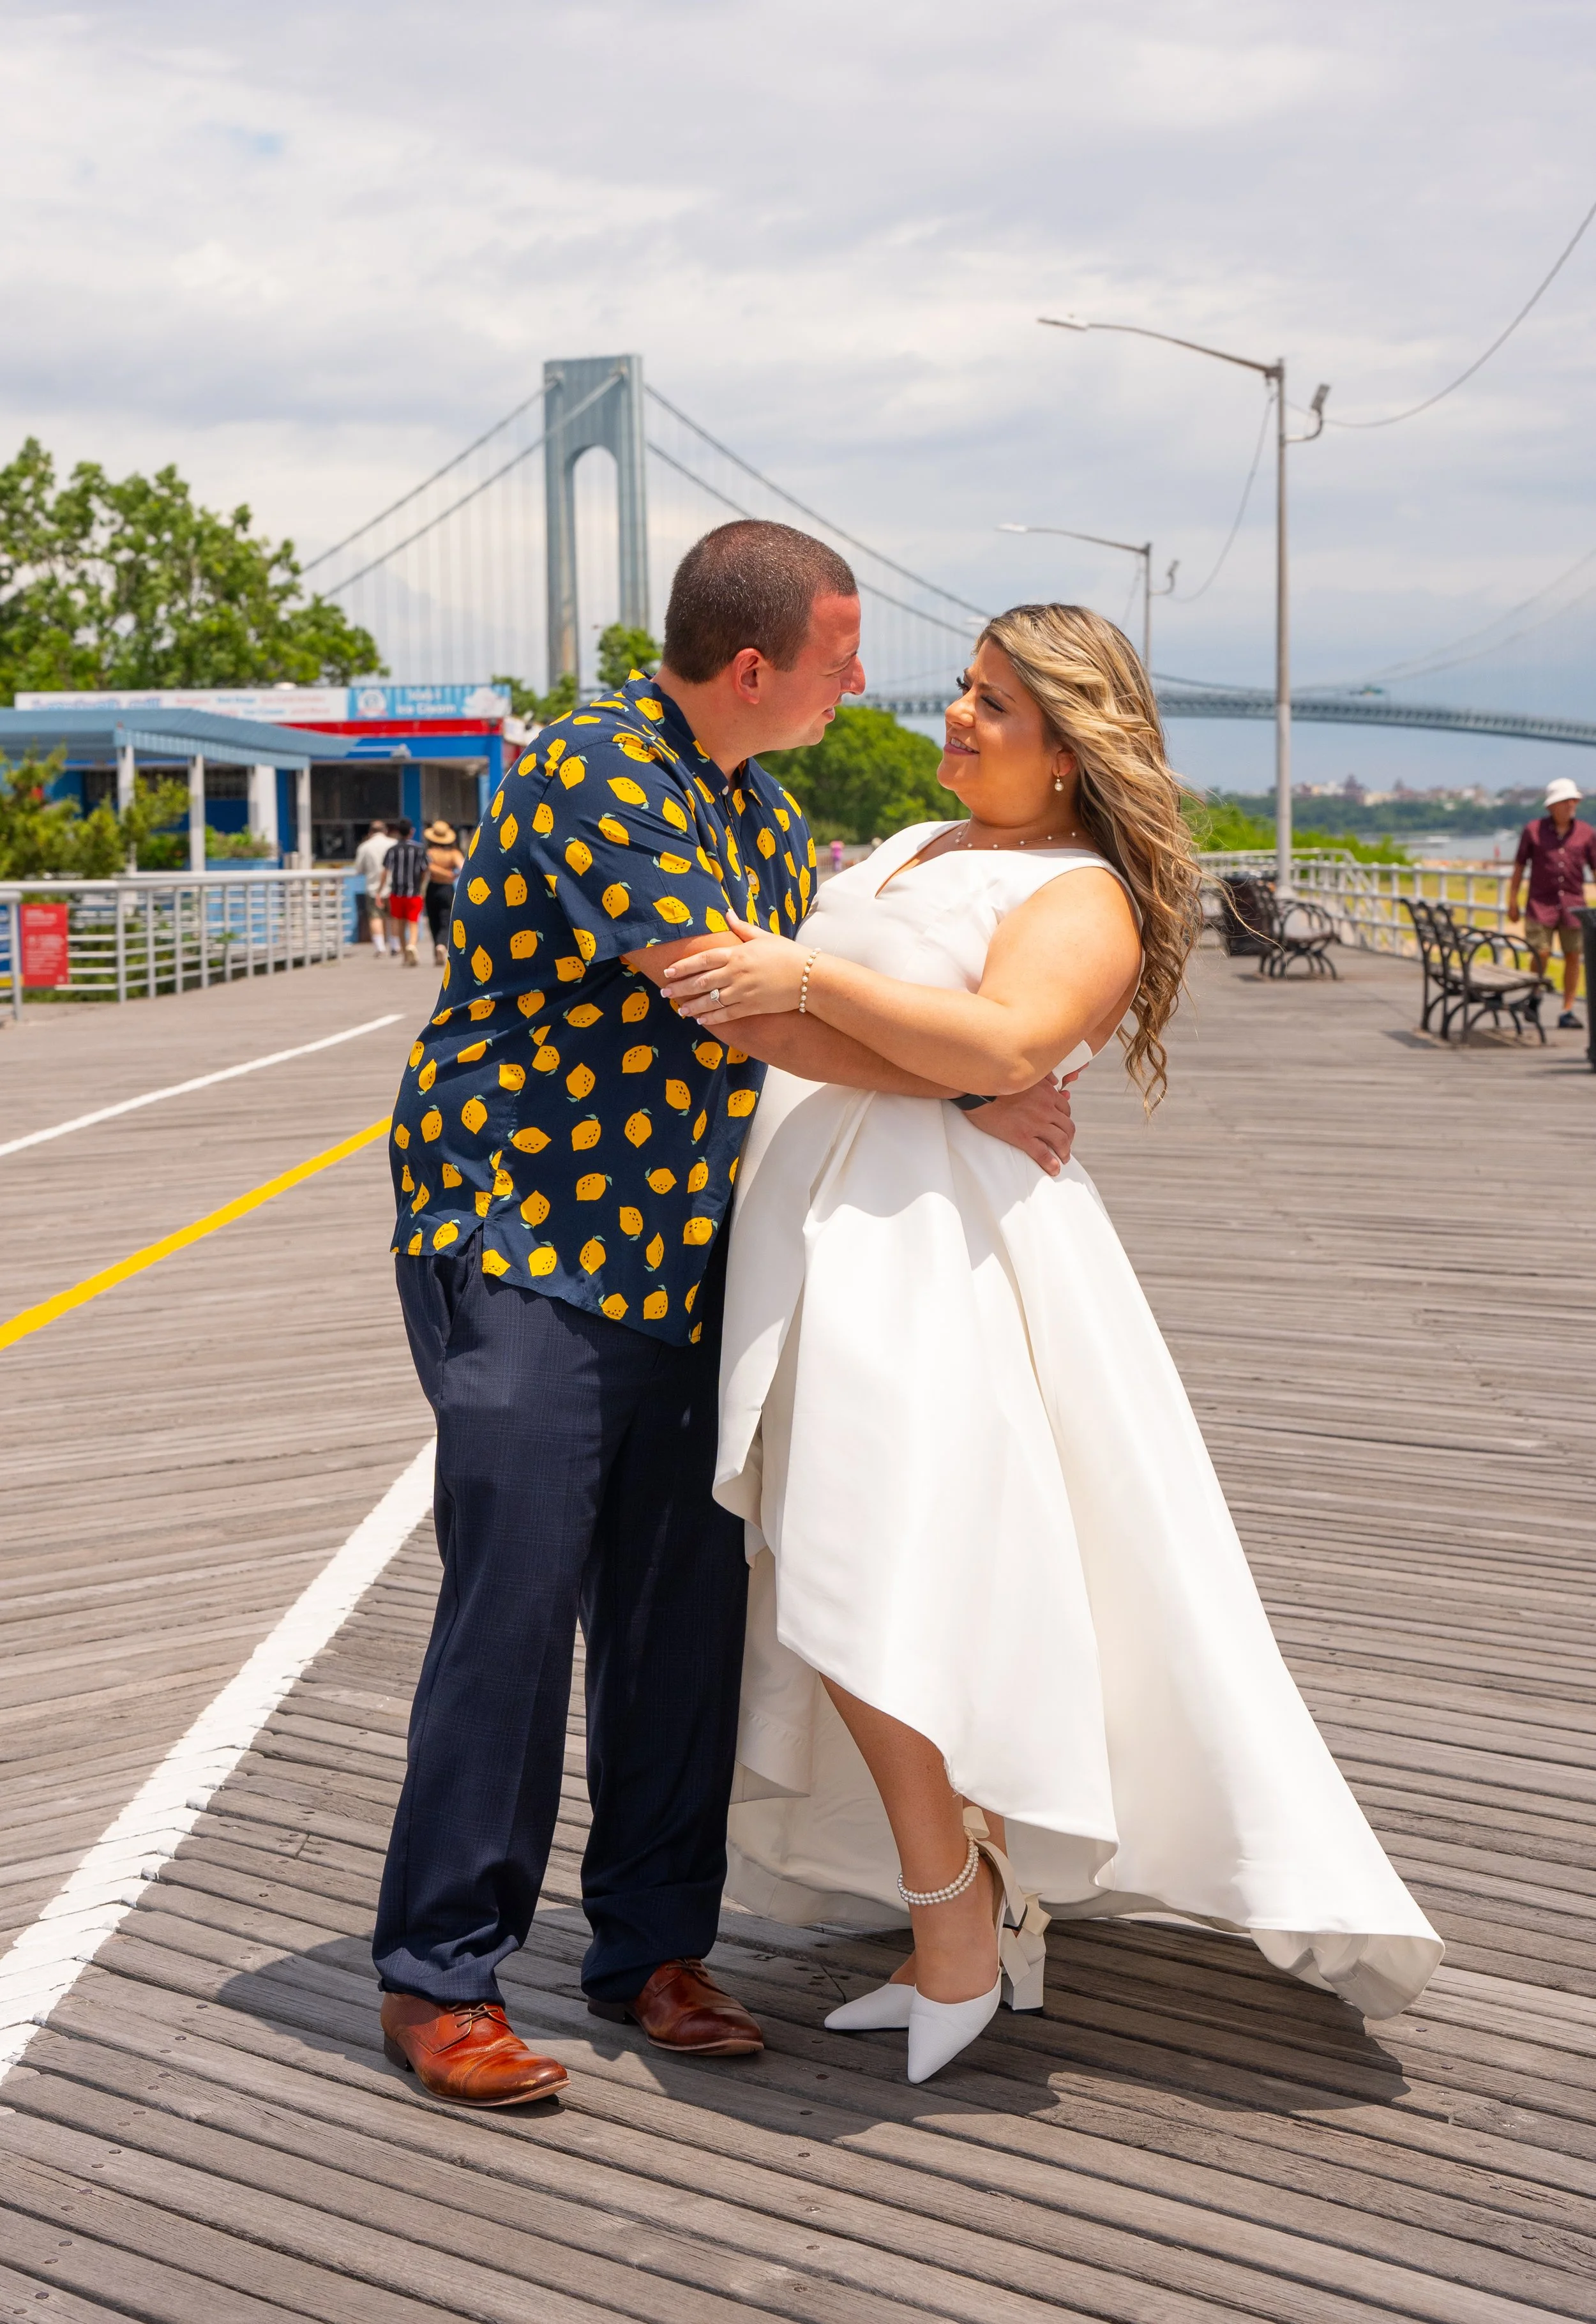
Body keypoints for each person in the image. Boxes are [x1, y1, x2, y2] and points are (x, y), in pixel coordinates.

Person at [663, 603, 1443, 2086]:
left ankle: (956, 1915)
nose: (957, 716)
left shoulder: (1085, 895)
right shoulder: (907, 851)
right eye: (965, 689)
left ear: (1073, 754)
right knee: (904, 1574)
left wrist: (829, 994)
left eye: (998, 707)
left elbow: (1010, 1044)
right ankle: (980, 1906)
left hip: (940, 1260)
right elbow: (811, 1038)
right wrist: (911, 1062)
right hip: (837, 1236)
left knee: (867, 1568)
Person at [375, 524, 1078, 2108]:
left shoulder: (760, 812)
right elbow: (739, 996)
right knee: (518, 1599)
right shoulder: (593, 767)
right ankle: (438, 1975)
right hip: (523, 1240)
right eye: (842, 652)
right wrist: (977, 1083)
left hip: (688, 1261)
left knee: (674, 1618)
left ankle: (646, 1950)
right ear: (755, 666)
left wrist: (966, 1086)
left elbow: (822, 996)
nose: (862, 677)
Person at [1507, 776, 1595, 1030]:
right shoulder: (1533, 831)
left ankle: (1566, 1010)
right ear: (1551, 806)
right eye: (1565, 801)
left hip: (1574, 904)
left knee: (1573, 956)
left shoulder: (1587, 833)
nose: (1571, 805)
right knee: (1540, 952)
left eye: (1574, 800)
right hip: (1540, 903)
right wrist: (1512, 901)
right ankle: (1534, 995)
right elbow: (1519, 866)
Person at [382, 817, 430, 965]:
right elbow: (425, 870)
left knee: (400, 924)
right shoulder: (420, 849)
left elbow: (385, 871)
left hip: (396, 892)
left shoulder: (392, 850)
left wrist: (379, 890)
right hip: (414, 892)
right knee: (414, 922)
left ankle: (404, 955)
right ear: (412, 831)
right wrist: (422, 886)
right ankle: (412, 945)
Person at [423, 819, 465, 967]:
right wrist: (450, 875)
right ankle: (442, 945)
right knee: (446, 919)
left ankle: (437, 947)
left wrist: (440, 872)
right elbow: (463, 867)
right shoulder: (454, 853)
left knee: (433, 920)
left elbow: (427, 868)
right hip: (447, 889)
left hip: (432, 887)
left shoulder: (429, 853)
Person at [353, 820, 392, 951]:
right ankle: (395, 945)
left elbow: (359, 869)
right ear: (385, 831)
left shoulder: (365, 847)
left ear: (370, 832)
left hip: (373, 888)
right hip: (394, 887)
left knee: (376, 917)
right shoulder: (393, 844)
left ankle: (380, 948)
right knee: (394, 917)